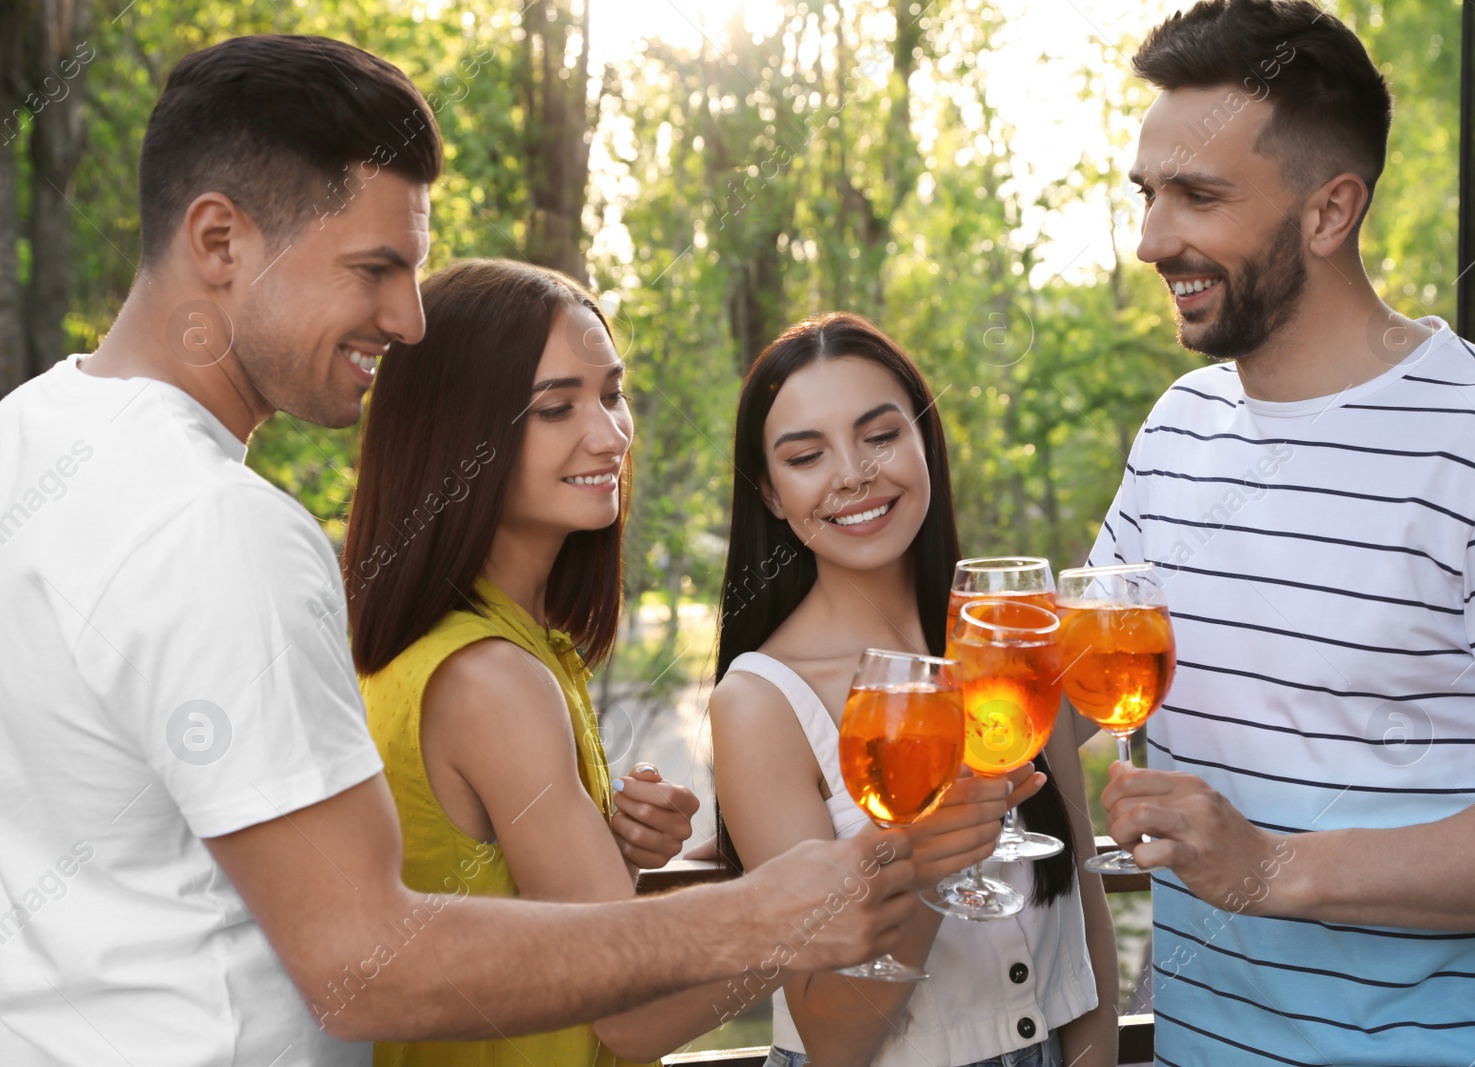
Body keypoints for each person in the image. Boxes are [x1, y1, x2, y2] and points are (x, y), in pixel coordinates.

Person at [0, 35, 938, 1067]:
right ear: (219, 241)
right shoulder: (222, 527)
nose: (407, 320)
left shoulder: (30, 436)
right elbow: (362, 955)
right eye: (374, 269)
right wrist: (764, 914)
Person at [1093, 2, 1475, 1064]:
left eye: (1198, 195)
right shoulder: (1178, 430)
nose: (1151, 240)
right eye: (1148, 194)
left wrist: (1280, 867)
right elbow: (1072, 675)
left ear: (1329, 212)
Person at [345, 257, 769, 1064]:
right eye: (555, 407)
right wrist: (819, 906)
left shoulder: (506, 645)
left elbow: (501, 920)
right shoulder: (488, 678)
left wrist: (606, 853)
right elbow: (631, 1013)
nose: (609, 433)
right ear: (455, 434)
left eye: (612, 394)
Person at [710, 312, 1120, 1067]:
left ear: (925, 440)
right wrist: (919, 862)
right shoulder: (760, 703)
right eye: (807, 455)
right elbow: (833, 1037)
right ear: (770, 494)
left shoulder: (1016, 646)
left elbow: (1088, 932)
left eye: (880, 435)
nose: (854, 474)